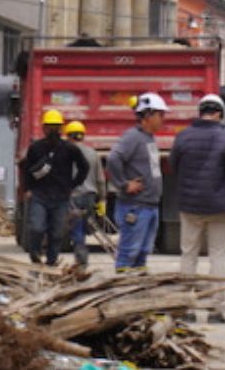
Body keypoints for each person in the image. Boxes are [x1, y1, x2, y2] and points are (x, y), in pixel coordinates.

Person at [172, 93, 225, 319]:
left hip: (190, 205)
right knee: (217, 254)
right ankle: (215, 308)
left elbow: (174, 166)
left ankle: (186, 307)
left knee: (188, 254)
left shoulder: (183, 137)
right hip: (221, 207)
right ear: (220, 114)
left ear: (200, 112)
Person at [19, 109, 90, 266]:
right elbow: (27, 170)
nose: (53, 130)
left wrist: (72, 184)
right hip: (40, 196)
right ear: (44, 128)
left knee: (57, 232)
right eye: (50, 126)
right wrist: (28, 189)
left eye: (56, 127)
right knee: (37, 227)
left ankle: (51, 261)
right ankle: (35, 252)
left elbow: (84, 167)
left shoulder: (70, 149)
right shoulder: (35, 148)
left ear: (61, 129)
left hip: (61, 197)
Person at [107, 93, 168, 272]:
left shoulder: (148, 138)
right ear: (147, 116)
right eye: (160, 115)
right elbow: (113, 158)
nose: (162, 119)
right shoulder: (133, 137)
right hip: (135, 206)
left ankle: (138, 281)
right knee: (129, 250)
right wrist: (124, 184)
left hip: (149, 205)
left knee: (142, 251)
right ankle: (122, 284)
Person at [65, 120, 104, 268]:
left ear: (68, 136)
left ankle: (81, 261)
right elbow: (100, 179)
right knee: (83, 226)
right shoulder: (93, 154)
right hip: (90, 196)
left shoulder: (66, 153)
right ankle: (81, 258)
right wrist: (102, 200)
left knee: (77, 229)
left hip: (74, 196)